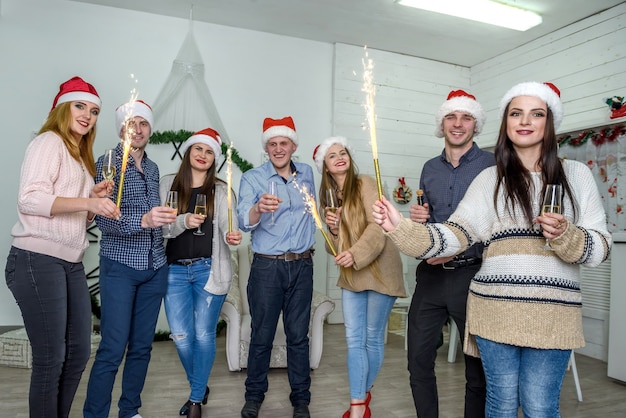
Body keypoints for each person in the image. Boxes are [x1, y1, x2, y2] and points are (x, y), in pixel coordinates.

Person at [373, 81, 611, 417]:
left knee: (539, 407)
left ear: (549, 122)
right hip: (494, 310)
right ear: (506, 123)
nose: (525, 121)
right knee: (498, 403)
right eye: (516, 113)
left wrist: (565, 236)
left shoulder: (576, 175)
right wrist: (400, 228)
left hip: (552, 314)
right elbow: (454, 234)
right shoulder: (490, 179)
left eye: (536, 113)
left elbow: (600, 247)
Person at [5, 76, 119, 418]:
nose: (88, 115)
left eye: (94, 110)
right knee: (51, 358)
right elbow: (30, 200)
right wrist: (89, 204)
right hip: (36, 259)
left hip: (69, 263)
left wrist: (89, 201)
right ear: (63, 109)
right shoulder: (48, 142)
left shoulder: (81, 157)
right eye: (80, 106)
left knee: (79, 352)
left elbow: (76, 221)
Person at [83, 100, 176, 418]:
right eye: (132, 123)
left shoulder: (152, 168)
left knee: (141, 347)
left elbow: (155, 217)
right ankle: (95, 413)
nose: (138, 129)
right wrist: (144, 220)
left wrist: (163, 220)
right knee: (112, 348)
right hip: (120, 268)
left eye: (144, 124)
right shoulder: (108, 163)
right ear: (122, 128)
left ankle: (129, 410)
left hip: (155, 267)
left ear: (150, 129)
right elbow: (104, 219)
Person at [406, 90, 492, 417]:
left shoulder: (492, 166)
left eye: (466, 117)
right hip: (429, 276)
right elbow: (428, 219)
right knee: (418, 361)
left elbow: (498, 225)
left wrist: (459, 248)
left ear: (475, 124)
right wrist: (419, 220)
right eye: (451, 117)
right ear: (442, 123)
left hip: (474, 275)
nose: (458, 124)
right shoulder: (430, 168)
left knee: (478, 370)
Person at [313, 136, 406, 418]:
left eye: (343, 152)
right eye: (332, 155)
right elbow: (334, 251)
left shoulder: (365, 182)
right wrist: (333, 230)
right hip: (352, 275)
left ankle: (360, 401)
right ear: (325, 167)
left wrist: (354, 253)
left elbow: (378, 226)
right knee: (354, 340)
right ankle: (358, 407)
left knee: (372, 338)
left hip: (381, 269)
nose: (340, 157)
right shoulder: (327, 201)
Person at [159, 128, 242, 418]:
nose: (203, 155)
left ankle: (195, 399)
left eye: (209, 152)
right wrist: (184, 220)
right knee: (181, 336)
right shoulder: (169, 184)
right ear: (188, 152)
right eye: (198, 149)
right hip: (174, 271)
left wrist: (232, 235)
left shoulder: (221, 190)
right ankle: (200, 384)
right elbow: (164, 229)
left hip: (210, 269)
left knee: (204, 335)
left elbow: (227, 227)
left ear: (214, 158)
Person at [237, 116, 316, 418]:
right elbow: (245, 221)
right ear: (267, 147)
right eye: (273, 144)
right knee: (262, 335)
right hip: (267, 268)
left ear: (293, 146)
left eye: (284, 143)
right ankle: (254, 397)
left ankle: (301, 400)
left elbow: (316, 211)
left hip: (302, 265)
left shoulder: (307, 173)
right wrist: (258, 208)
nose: (278, 148)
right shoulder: (253, 177)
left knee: (298, 336)